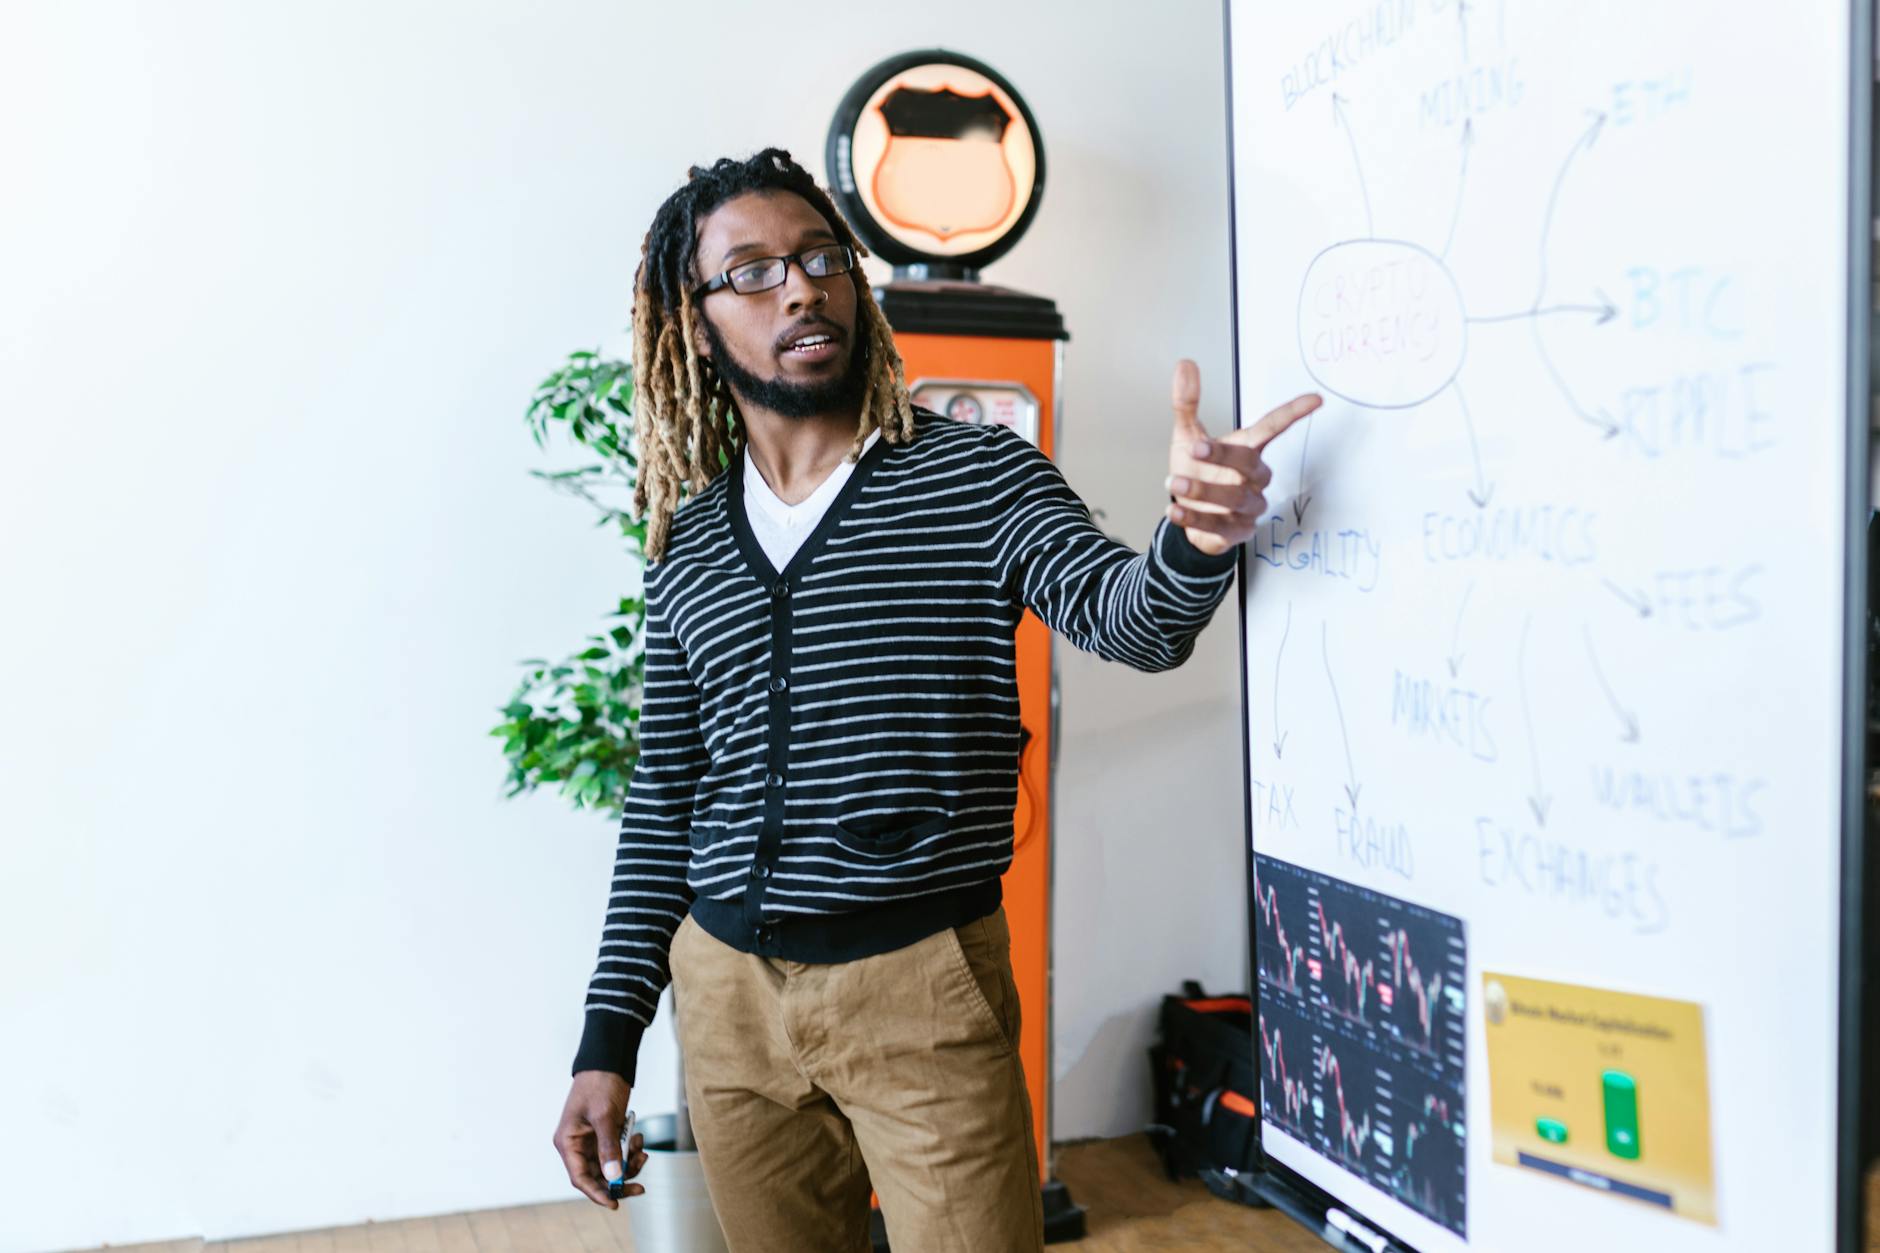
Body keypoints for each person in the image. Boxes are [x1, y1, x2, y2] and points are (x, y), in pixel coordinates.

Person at [551, 147, 1319, 1252]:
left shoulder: (975, 477)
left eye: (819, 258)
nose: (802, 287)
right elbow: (663, 799)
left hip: (917, 989)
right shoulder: (690, 543)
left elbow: (1133, 619)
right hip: (722, 1003)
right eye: (754, 271)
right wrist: (606, 1038)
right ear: (694, 319)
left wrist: (1193, 540)